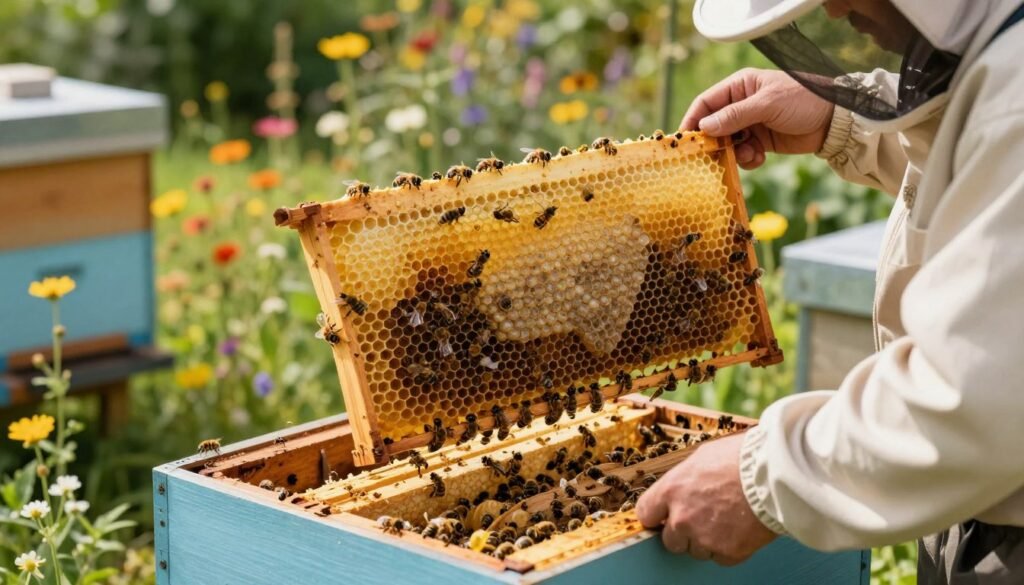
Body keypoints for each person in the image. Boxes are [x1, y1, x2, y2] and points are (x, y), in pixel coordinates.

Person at [633, 1, 1024, 582]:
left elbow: (979, 391)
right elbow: (983, 161)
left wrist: (766, 480)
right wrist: (842, 121)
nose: (834, 8)